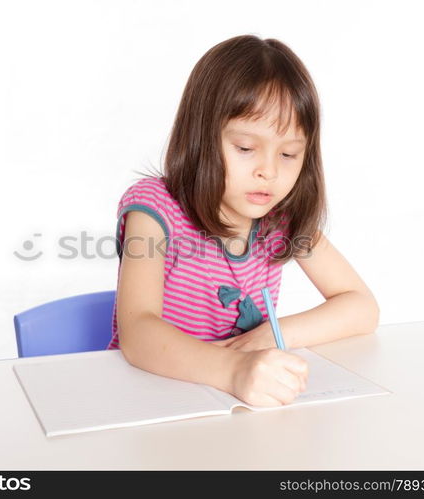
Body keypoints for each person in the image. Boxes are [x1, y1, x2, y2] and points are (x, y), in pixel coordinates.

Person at [107, 34, 380, 408]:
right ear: (201, 138)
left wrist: (272, 334)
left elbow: (361, 307)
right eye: (246, 149)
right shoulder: (155, 209)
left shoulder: (280, 220)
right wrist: (234, 369)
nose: (267, 171)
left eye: (288, 153)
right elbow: (137, 332)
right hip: (149, 399)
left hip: (235, 409)